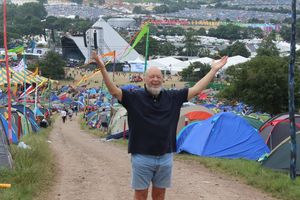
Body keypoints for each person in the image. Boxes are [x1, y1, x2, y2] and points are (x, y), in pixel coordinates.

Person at [92, 51, 228, 200]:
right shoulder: (134, 97)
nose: (155, 79)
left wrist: (214, 70)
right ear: (145, 79)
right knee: (140, 195)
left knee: (160, 195)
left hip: (165, 157)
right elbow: (114, 91)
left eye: (158, 77)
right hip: (142, 156)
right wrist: (102, 68)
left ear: (163, 79)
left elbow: (196, 89)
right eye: (152, 77)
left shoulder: (173, 97)